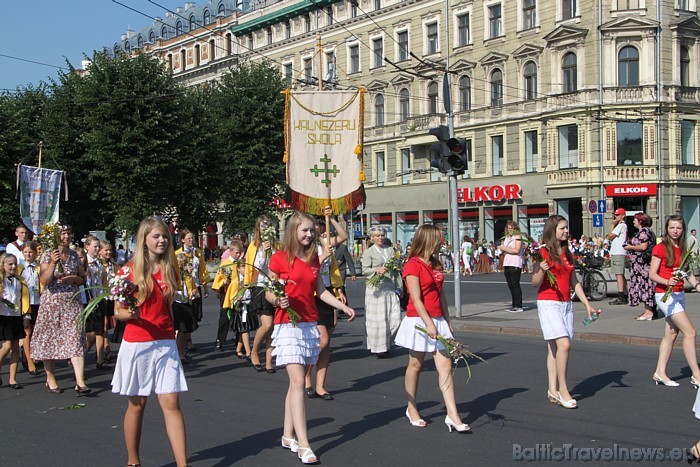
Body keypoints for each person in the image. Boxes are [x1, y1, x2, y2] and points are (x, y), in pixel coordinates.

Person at [266, 211, 355, 464]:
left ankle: (286, 435)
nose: (309, 235)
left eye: (311, 231)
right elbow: (270, 292)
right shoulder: (279, 258)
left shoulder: (314, 259)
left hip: (308, 324)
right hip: (287, 325)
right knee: (297, 382)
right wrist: (278, 300)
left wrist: (342, 306)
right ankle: (304, 444)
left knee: (293, 385)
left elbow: (320, 290)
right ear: (293, 230)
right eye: (304, 230)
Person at [110, 216, 189, 467]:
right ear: (144, 239)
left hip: (165, 342)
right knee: (137, 404)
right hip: (138, 343)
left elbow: (169, 306)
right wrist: (128, 314)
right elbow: (117, 312)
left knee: (172, 402)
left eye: (165, 236)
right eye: (156, 236)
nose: (162, 240)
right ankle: (133, 461)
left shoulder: (169, 268)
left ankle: (183, 464)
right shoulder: (128, 271)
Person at [394, 224, 471, 432]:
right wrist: (429, 324)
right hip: (419, 320)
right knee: (415, 365)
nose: (442, 241)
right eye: (439, 238)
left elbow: (441, 294)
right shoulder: (412, 265)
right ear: (429, 240)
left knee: (445, 367)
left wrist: (447, 321)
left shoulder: (436, 263)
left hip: (437, 319)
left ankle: (453, 415)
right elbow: (416, 299)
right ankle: (411, 407)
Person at [532, 215, 598, 409]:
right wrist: (542, 270)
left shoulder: (567, 253)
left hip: (565, 304)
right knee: (564, 344)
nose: (566, 231)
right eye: (562, 228)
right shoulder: (542, 253)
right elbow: (535, 283)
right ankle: (563, 389)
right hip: (548, 303)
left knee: (554, 348)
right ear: (552, 230)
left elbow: (573, 280)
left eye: (566, 228)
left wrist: (586, 304)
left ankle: (552, 389)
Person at [31, 224, 90, 395]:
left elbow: (82, 278)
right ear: (57, 236)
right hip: (52, 303)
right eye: (63, 234)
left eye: (69, 233)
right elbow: (44, 281)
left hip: (71, 303)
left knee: (75, 339)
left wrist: (74, 278)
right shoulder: (47, 254)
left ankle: (80, 381)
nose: (67, 236)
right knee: (49, 339)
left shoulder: (73, 255)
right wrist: (53, 263)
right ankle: (51, 379)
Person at [648, 214, 700, 387]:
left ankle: (659, 372)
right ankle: (696, 374)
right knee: (690, 332)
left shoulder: (684, 247)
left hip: (678, 294)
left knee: (671, 333)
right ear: (666, 229)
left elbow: (688, 273)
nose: (675, 231)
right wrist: (667, 281)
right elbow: (652, 274)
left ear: (683, 229)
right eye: (672, 227)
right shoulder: (661, 248)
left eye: (678, 228)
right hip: (665, 295)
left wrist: (697, 286)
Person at [305, 214, 348, 399]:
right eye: (313, 226)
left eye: (318, 225)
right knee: (320, 341)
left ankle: (321, 385)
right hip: (312, 294)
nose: (316, 229)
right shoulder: (306, 247)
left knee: (327, 343)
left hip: (328, 291)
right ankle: (306, 377)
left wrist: (330, 219)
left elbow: (343, 236)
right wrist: (322, 257)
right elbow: (307, 269)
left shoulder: (325, 241)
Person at [361, 226, 401, 358]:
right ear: (372, 238)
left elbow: (396, 270)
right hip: (376, 288)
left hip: (389, 287)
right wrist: (376, 270)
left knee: (396, 319)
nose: (380, 237)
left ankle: (387, 342)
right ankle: (380, 348)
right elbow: (364, 270)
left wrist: (399, 286)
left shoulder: (390, 250)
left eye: (382, 235)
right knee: (379, 321)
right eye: (377, 236)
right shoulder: (369, 252)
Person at [246, 215, 277, 372]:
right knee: (267, 324)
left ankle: (269, 361)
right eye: (262, 226)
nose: (265, 229)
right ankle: (254, 351)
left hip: (275, 287)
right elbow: (256, 268)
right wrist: (264, 253)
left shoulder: (276, 245)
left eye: (268, 226)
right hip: (261, 287)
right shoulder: (254, 246)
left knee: (273, 328)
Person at [175, 229, 209, 354]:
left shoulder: (197, 252)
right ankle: (185, 342)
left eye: (192, 238)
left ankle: (187, 339)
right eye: (188, 238)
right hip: (184, 287)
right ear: (183, 239)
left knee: (193, 314)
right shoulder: (178, 253)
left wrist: (205, 286)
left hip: (195, 285)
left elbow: (202, 269)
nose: (191, 240)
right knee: (185, 315)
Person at [0, 253, 29, 389]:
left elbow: (24, 299)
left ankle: (12, 379)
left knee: (16, 347)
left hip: (16, 316)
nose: (13, 266)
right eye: (9, 264)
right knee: (6, 346)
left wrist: (26, 316)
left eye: (14, 263)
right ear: (3, 265)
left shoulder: (20, 281)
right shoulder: (1, 281)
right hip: (3, 316)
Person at [623, 213, 656, 321]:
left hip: (643, 264)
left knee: (645, 286)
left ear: (641, 221)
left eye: (635, 219)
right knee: (644, 286)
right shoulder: (645, 231)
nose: (633, 221)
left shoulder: (644, 231)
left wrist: (630, 247)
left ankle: (649, 312)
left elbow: (643, 246)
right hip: (640, 264)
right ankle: (649, 310)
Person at [18, 241, 40, 375]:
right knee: (27, 331)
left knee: (36, 332)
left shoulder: (37, 268)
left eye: (30, 252)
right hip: (25, 303)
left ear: (35, 254)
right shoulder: (20, 268)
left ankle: (31, 355)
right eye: (25, 252)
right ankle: (29, 360)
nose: (28, 254)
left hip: (37, 301)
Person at [500, 221, 524, 313]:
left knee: (515, 284)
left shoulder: (517, 237)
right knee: (510, 285)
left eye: (512, 228)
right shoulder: (507, 238)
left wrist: (504, 249)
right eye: (508, 228)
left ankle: (518, 305)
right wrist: (503, 251)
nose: (510, 230)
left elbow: (516, 250)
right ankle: (514, 304)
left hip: (515, 263)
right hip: (507, 262)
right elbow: (507, 250)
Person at [607, 208, 628, 305]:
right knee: (620, 274)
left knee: (619, 274)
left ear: (623, 215)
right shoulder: (621, 226)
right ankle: (625, 294)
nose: (616, 216)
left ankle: (621, 296)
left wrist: (612, 224)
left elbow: (609, 236)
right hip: (619, 252)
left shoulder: (621, 226)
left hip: (618, 252)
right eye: (615, 215)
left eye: (618, 215)